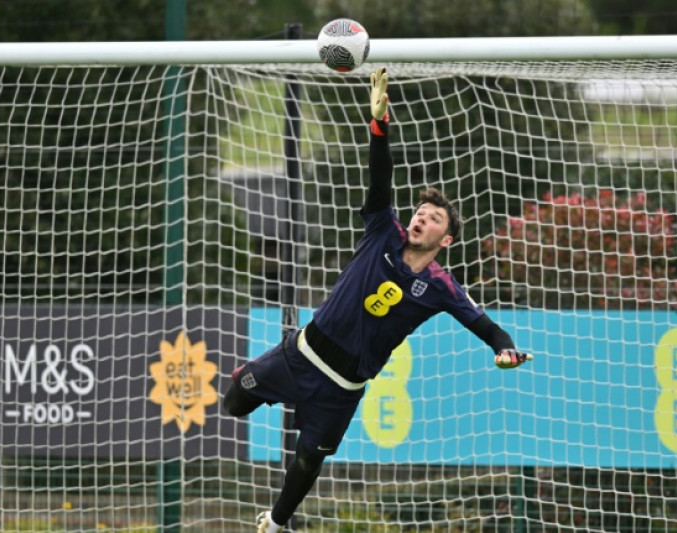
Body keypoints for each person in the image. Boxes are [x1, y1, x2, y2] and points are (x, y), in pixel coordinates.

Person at [222, 67, 532, 533]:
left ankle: (277, 523)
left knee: (308, 462)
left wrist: (504, 349)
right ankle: (249, 377)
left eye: (432, 220)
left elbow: (486, 326)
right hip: (300, 354)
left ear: (445, 240)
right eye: (420, 213)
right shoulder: (381, 231)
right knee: (233, 403)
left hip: (340, 389)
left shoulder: (442, 286)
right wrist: (378, 125)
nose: (421, 220)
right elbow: (380, 175)